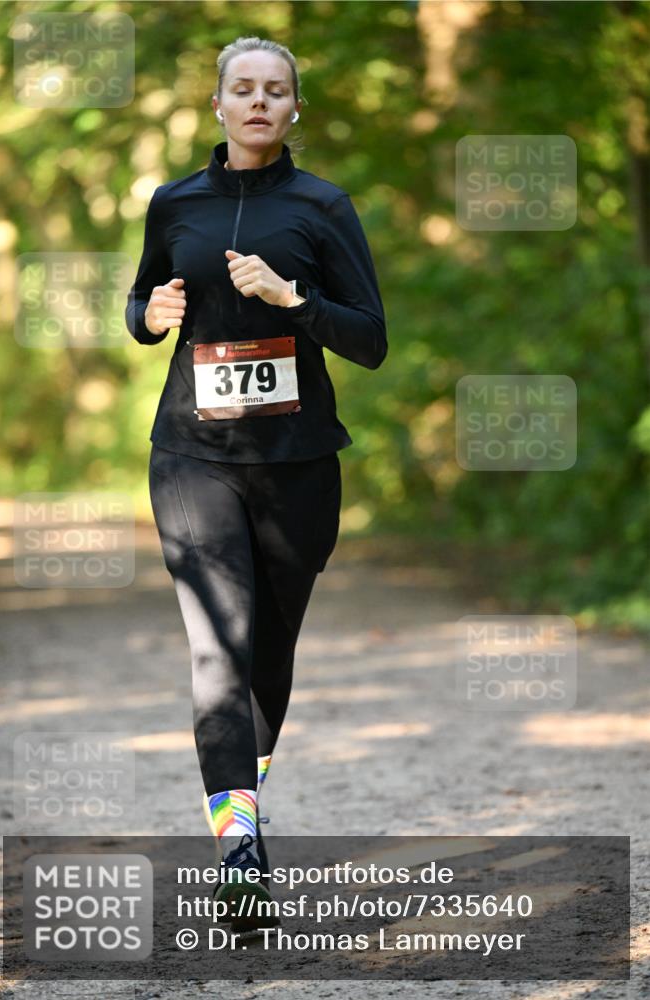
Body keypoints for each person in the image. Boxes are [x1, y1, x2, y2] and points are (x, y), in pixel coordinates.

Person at [125, 35, 387, 930]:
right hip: (191, 457)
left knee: (268, 653)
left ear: (294, 109)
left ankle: (241, 792)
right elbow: (140, 301)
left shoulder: (322, 206)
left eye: (277, 91)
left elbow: (370, 339)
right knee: (215, 650)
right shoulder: (175, 202)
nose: (259, 103)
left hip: (299, 464)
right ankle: (239, 849)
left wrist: (293, 303)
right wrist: (147, 315)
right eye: (243, 89)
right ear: (218, 105)